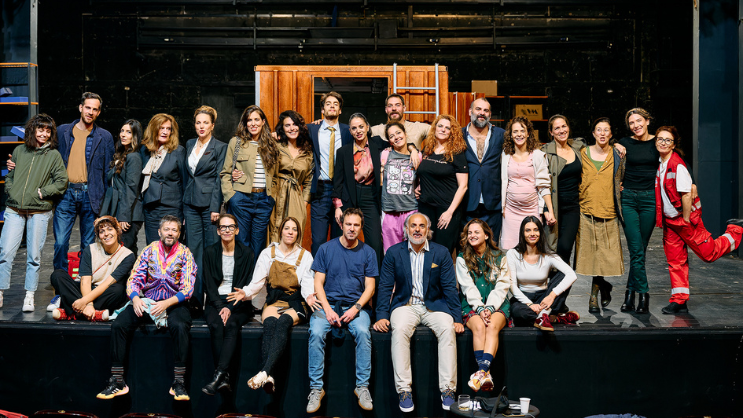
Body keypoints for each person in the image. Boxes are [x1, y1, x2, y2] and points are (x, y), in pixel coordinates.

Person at [96, 215, 196, 401]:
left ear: (179, 234)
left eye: (174, 230)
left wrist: (166, 303)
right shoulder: (149, 251)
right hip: (149, 301)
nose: (170, 233)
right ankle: (117, 381)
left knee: (180, 325)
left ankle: (179, 382)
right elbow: (134, 279)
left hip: (174, 303)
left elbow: (188, 288)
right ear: (159, 232)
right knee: (119, 324)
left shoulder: (185, 253)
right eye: (167, 229)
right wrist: (135, 298)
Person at [373, 213, 464, 413]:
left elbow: (450, 288)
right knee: (399, 330)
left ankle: (448, 390)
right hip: (405, 305)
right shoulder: (394, 253)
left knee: (447, 329)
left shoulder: (441, 252)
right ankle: (404, 391)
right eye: (413, 225)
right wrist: (381, 316)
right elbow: (385, 287)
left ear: (428, 230)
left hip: (434, 306)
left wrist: (457, 318)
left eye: (421, 226)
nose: (417, 229)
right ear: (406, 229)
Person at [653, 126, 743, 314]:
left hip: (684, 220)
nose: (663, 143)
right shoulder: (661, 163)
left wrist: (686, 220)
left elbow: (686, 195)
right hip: (670, 223)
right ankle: (679, 301)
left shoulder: (677, 165)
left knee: (708, 254)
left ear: (674, 144)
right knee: (675, 261)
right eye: (660, 139)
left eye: (668, 140)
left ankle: (735, 231)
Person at [228, 216, 317, 393]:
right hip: (275, 301)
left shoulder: (305, 256)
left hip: (295, 302)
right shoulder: (268, 253)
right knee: (269, 324)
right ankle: (268, 377)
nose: (290, 232)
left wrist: (309, 297)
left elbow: (308, 283)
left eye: (294, 229)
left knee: (283, 322)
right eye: (287, 228)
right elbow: (257, 282)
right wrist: (245, 292)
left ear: (298, 234)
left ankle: (265, 371)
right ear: (281, 231)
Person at [306, 208, 377, 414]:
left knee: (363, 332)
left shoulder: (368, 252)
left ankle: (362, 387)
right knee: (316, 332)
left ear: (361, 227)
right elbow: (318, 283)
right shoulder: (326, 249)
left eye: (356, 225)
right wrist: (327, 310)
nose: (352, 228)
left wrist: (356, 309)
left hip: (356, 306)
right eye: (348, 224)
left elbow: (370, 288)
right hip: (329, 304)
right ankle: (316, 389)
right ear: (341, 225)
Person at [49, 92, 114, 312]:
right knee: (60, 243)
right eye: (88, 108)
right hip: (66, 193)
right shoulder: (63, 131)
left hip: (91, 195)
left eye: (95, 109)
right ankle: (60, 291)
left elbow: (108, 170)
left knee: (88, 246)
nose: (91, 112)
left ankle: (84, 290)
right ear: (80, 107)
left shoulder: (104, 136)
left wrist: (106, 203)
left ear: (99, 112)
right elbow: (48, 157)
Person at [0, 114, 68, 311]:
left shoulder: (53, 155)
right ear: (32, 129)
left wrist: (43, 192)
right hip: (14, 209)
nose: (44, 134)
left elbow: (62, 181)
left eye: (48, 131)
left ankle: (29, 296)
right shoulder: (19, 151)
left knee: (34, 256)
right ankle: (0, 291)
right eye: (40, 129)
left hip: (39, 211)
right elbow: (10, 176)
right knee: (5, 252)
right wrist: (11, 189)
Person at [200, 214, 256, 395]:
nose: (226, 230)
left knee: (231, 325)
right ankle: (224, 378)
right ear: (218, 231)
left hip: (239, 302)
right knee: (217, 325)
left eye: (230, 227)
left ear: (237, 230)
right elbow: (209, 285)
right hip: (216, 301)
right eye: (223, 227)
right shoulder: (209, 252)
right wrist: (220, 307)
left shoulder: (247, 253)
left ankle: (219, 376)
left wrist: (230, 308)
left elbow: (247, 284)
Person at [574, 118, 625, 313]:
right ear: (593, 133)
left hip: (608, 211)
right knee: (590, 257)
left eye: (606, 130)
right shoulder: (582, 152)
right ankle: (597, 292)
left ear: (611, 134)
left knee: (604, 257)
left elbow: (623, 177)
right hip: (585, 210)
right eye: (598, 130)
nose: (602, 133)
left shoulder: (617, 155)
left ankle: (596, 292)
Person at [455, 219, 510, 393]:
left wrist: (490, 307)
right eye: (469, 233)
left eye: (476, 232)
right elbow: (467, 287)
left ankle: (482, 371)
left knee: (491, 325)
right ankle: (485, 374)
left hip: (497, 304)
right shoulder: (462, 258)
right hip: (471, 305)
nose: (472, 235)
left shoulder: (500, 257)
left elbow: (502, 285)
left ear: (486, 235)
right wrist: (479, 308)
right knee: (479, 326)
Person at [50, 216, 135, 321]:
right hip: (86, 289)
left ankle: (72, 313)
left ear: (117, 232)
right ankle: (92, 313)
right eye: (102, 231)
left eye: (110, 229)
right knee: (57, 275)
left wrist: (84, 301)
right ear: (98, 236)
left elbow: (107, 283)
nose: (106, 234)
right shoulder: (90, 249)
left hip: (104, 292)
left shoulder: (128, 255)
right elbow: (85, 280)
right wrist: (88, 304)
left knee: (118, 290)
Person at [221, 105, 279, 258]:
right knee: (242, 243)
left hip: (264, 200)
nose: (253, 123)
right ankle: (243, 274)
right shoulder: (236, 142)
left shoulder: (272, 144)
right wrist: (231, 197)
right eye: (249, 120)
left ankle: (256, 274)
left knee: (259, 244)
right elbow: (225, 173)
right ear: (245, 123)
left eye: (256, 120)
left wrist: (272, 197)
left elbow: (275, 176)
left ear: (263, 122)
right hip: (241, 198)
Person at [184, 105, 227, 306]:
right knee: (193, 251)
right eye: (198, 122)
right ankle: (194, 297)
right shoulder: (189, 143)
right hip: (190, 204)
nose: (201, 126)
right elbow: (187, 175)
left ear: (212, 125)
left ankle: (212, 298)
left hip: (209, 206)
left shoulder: (220, 147)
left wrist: (215, 207)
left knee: (210, 251)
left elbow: (220, 179)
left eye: (205, 123)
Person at [617, 108, 658, 313]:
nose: (636, 125)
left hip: (650, 199)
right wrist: (615, 144)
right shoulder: (624, 143)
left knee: (640, 249)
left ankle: (629, 293)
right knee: (636, 249)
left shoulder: (658, 142)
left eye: (639, 121)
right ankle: (643, 295)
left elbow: (677, 160)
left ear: (647, 121)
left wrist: (692, 182)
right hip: (629, 199)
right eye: (632, 123)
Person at [333, 113, 386, 267]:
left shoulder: (377, 144)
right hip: (349, 196)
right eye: (354, 128)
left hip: (370, 197)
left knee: (375, 242)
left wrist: (412, 148)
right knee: (347, 239)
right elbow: (338, 182)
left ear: (367, 127)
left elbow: (398, 142)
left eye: (361, 126)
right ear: (350, 131)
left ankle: (374, 278)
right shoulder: (343, 152)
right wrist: (338, 206)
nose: (358, 131)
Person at [508, 217, 578, 332]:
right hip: (523, 298)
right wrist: (530, 304)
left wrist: (552, 296)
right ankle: (553, 318)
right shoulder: (513, 254)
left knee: (563, 276)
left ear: (541, 232)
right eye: (528, 230)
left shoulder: (549, 255)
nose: (532, 233)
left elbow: (572, 275)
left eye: (536, 230)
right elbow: (512, 286)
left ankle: (543, 316)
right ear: (522, 233)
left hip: (544, 297)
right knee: (517, 312)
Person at [308, 92, 353, 256]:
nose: (332, 106)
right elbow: (290, 132)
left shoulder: (348, 131)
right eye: (328, 103)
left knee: (340, 238)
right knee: (318, 240)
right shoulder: (312, 129)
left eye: (336, 104)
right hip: (320, 190)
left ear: (340, 110)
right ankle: (317, 271)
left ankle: (337, 271)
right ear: (322, 109)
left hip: (341, 189)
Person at [417, 115, 469, 253]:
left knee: (442, 252)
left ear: (452, 132)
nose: (443, 130)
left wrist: (449, 212)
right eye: (440, 126)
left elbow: (463, 186)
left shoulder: (456, 153)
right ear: (435, 128)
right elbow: (425, 172)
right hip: (425, 208)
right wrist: (419, 185)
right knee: (425, 250)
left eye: (448, 128)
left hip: (446, 210)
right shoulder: (427, 150)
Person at [500, 116, 554, 250]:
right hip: (511, 211)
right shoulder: (505, 156)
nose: (519, 134)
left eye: (522, 131)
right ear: (510, 135)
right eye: (515, 131)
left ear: (528, 133)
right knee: (511, 251)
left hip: (532, 210)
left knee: (532, 248)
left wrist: (550, 211)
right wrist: (503, 207)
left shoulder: (537, 155)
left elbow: (544, 186)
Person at [541, 115, 586, 262]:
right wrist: (546, 210)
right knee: (551, 249)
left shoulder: (578, 147)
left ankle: (561, 277)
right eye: (557, 128)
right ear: (551, 132)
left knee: (565, 248)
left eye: (564, 126)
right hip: (553, 206)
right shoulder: (545, 152)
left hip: (572, 206)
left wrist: (616, 144)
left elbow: (598, 149)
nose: (561, 130)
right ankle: (555, 277)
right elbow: (541, 183)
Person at [462, 98, 506, 240]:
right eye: (478, 109)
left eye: (486, 110)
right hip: (467, 204)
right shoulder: (459, 135)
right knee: (467, 247)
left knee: (492, 246)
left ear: (490, 115)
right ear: (470, 112)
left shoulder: (501, 134)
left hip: (493, 204)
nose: (482, 113)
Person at [140, 113, 187, 244]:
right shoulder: (145, 150)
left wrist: (185, 212)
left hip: (172, 208)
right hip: (151, 209)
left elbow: (185, 183)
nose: (165, 132)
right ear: (154, 128)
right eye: (162, 128)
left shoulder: (178, 151)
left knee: (172, 248)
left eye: (168, 129)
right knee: (153, 247)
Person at [269, 110, 314, 244]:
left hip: (296, 197)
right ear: (282, 128)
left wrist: (303, 202)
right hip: (275, 194)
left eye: (295, 124)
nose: (292, 128)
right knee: (273, 232)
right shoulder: (276, 146)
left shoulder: (307, 152)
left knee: (293, 234)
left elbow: (309, 181)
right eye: (287, 125)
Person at [99, 119, 144, 254]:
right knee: (124, 250)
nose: (123, 134)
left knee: (125, 250)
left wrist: (124, 216)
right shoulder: (122, 154)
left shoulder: (134, 157)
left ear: (135, 136)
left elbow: (131, 188)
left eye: (129, 132)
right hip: (120, 208)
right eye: (122, 131)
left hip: (130, 212)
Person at [381, 122, 418, 252]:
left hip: (411, 209)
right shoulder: (385, 155)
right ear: (389, 141)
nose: (396, 137)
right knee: (391, 252)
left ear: (405, 133)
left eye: (398, 133)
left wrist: (413, 150)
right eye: (392, 136)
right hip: (389, 211)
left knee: (412, 251)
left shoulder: (417, 156)